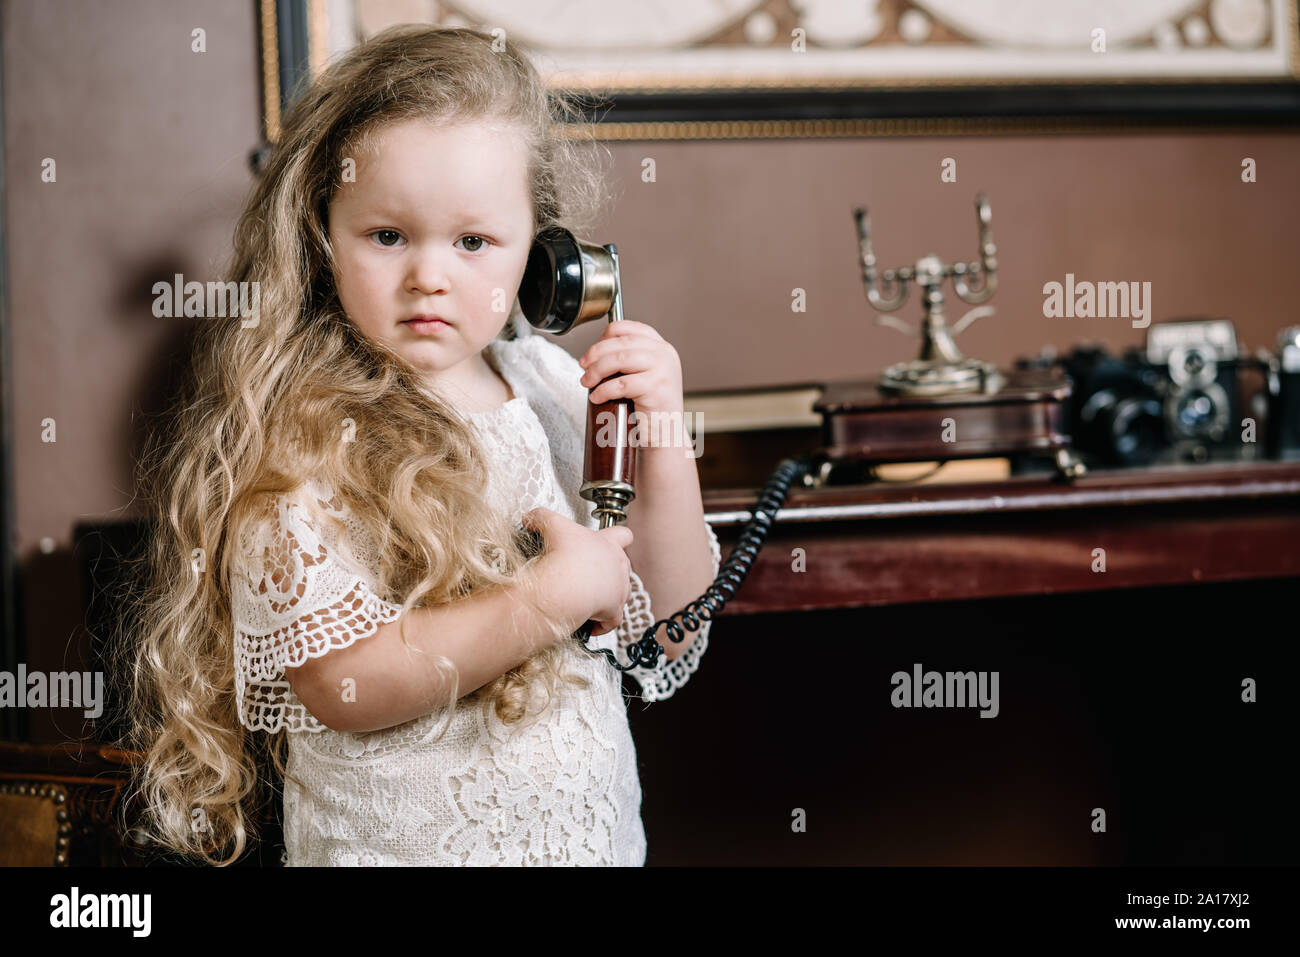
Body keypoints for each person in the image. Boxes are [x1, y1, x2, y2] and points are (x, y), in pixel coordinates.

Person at [121, 25, 719, 866]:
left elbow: (670, 623)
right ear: (323, 238)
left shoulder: (546, 385)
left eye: (473, 242)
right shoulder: (302, 430)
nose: (430, 277)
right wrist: (544, 602)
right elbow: (342, 684)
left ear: (544, 259)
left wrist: (661, 443)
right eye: (389, 237)